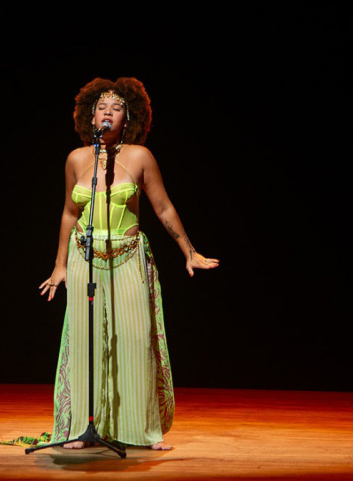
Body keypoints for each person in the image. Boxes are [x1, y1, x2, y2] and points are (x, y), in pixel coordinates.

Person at [39, 77, 219, 450]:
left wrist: (189, 251)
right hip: (84, 258)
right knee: (86, 342)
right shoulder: (76, 158)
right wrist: (59, 265)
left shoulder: (140, 157)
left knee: (135, 340)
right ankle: (83, 427)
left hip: (128, 256)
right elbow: (70, 213)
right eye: (101, 107)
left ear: (129, 118)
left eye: (116, 107)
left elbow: (163, 207)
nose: (107, 112)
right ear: (90, 116)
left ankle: (143, 430)